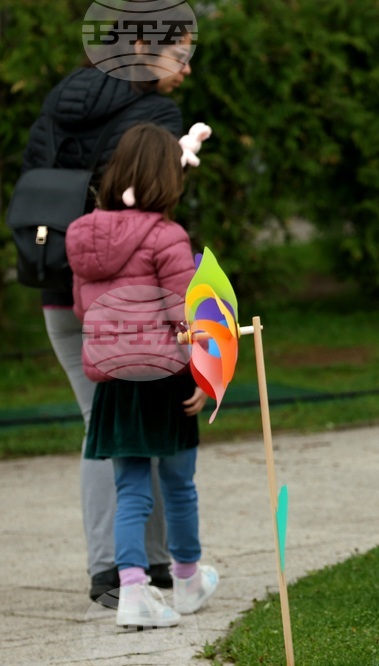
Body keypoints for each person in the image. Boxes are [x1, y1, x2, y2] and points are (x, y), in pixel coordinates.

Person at [20, 37, 193, 605]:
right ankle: (131, 571)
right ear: (143, 45)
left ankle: (135, 568)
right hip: (136, 303)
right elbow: (154, 201)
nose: (186, 68)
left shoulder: (59, 100)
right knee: (142, 424)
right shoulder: (159, 116)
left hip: (61, 285)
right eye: (181, 52)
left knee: (104, 423)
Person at [66, 123, 217, 628]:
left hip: (113, 379)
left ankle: (131, 591)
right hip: (164, 375)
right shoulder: (166, 235)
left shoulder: (84, 232)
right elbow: (185, 311)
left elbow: (81, 307)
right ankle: (188, 578)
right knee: (179, 483)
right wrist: (203, 373)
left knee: (131, 488)